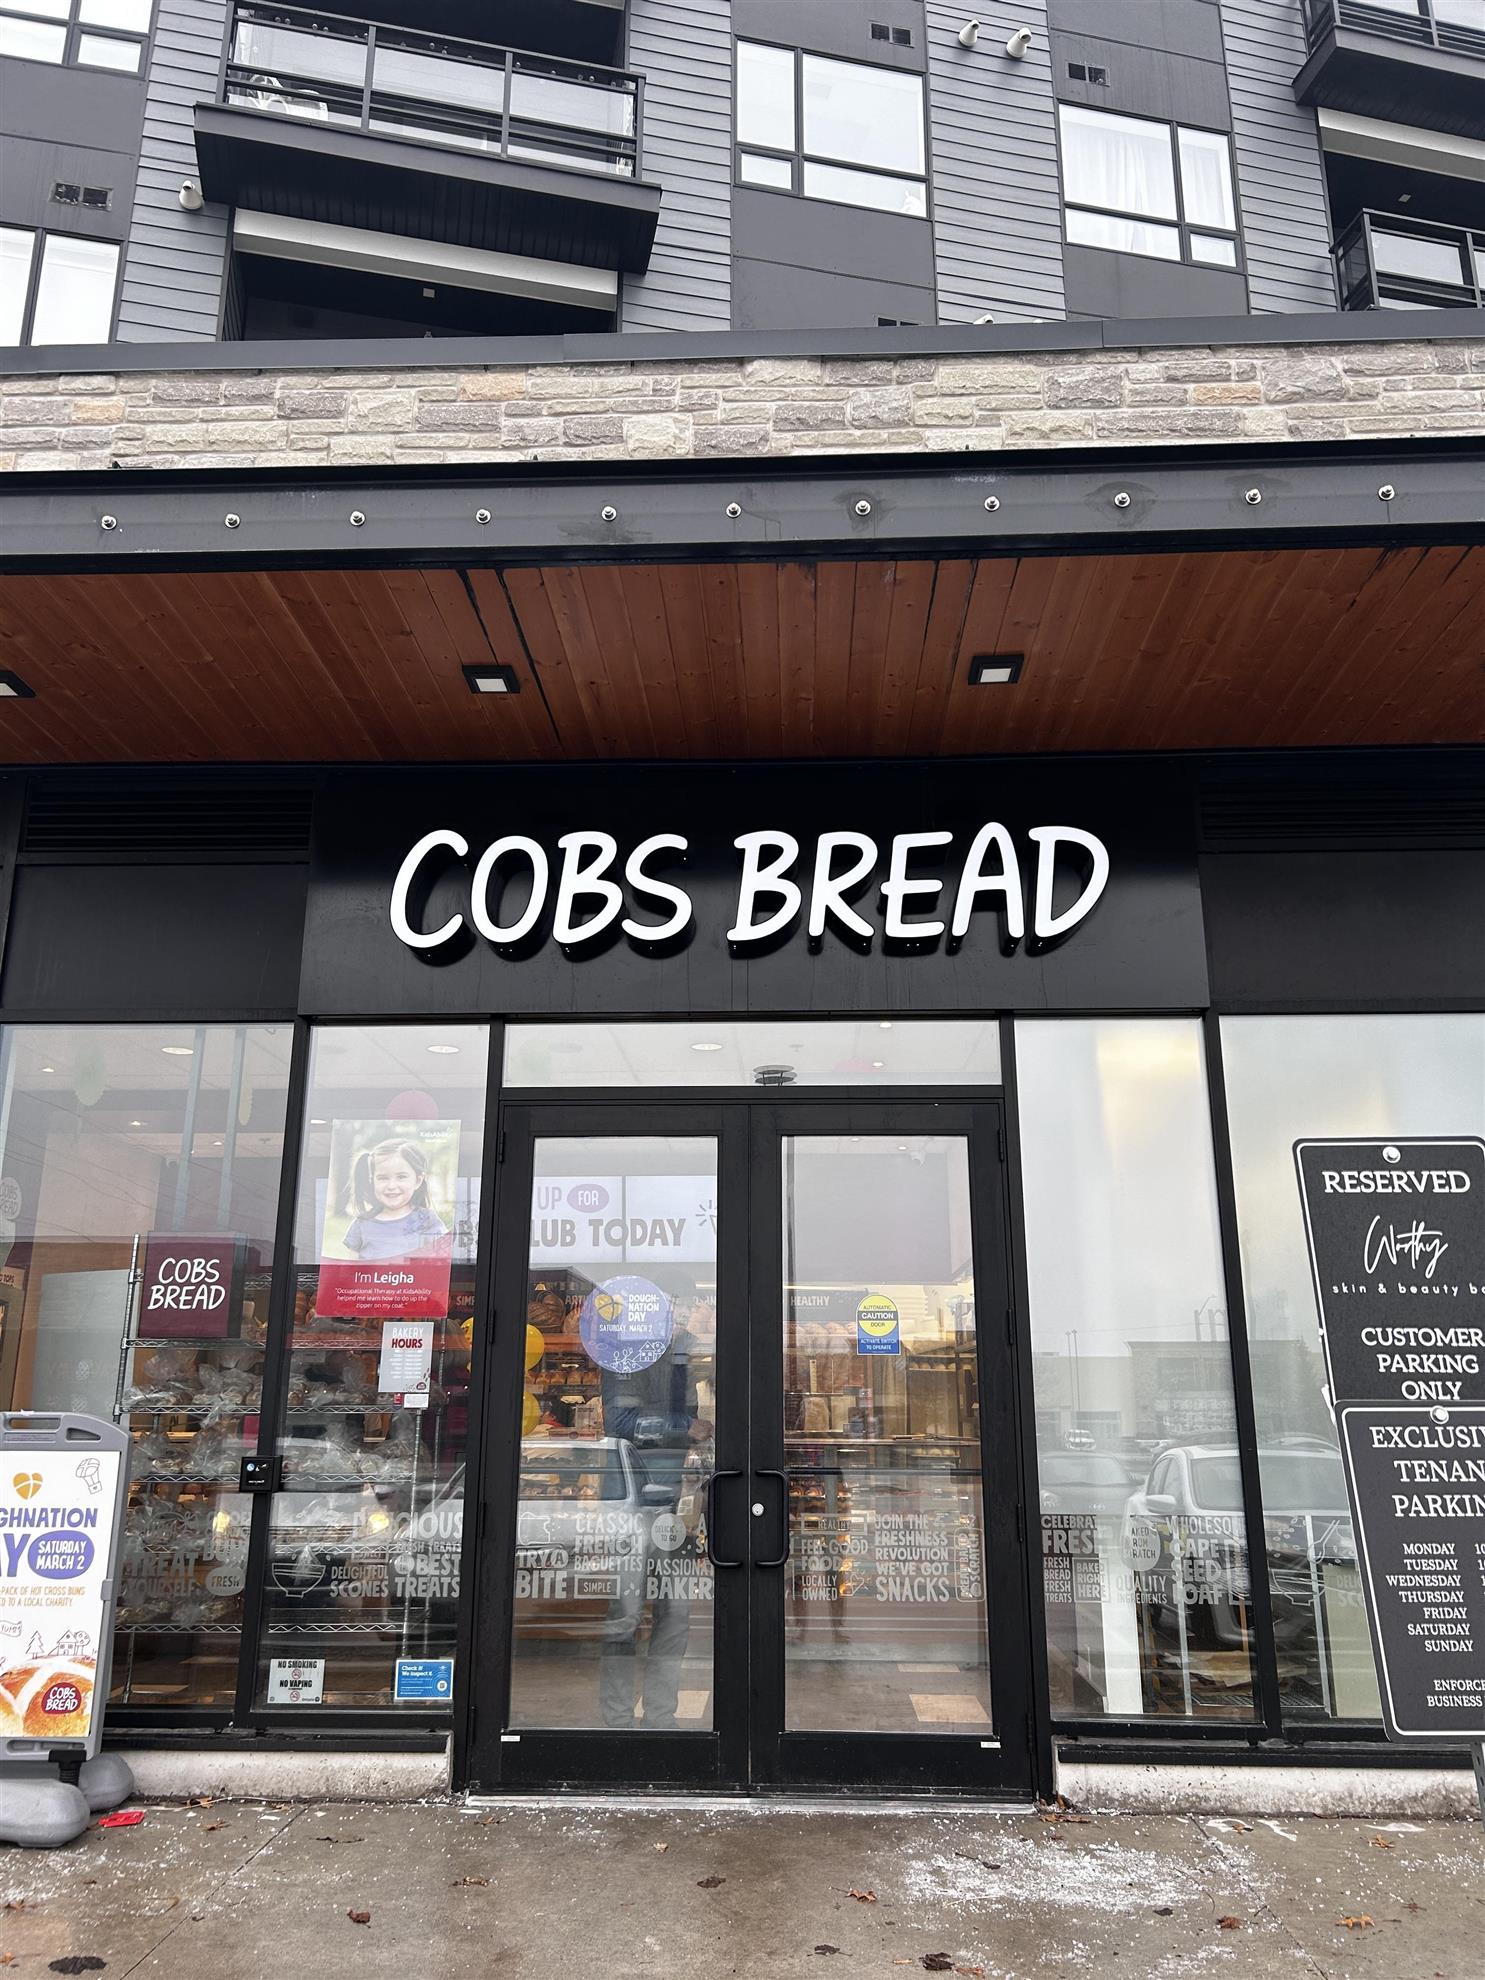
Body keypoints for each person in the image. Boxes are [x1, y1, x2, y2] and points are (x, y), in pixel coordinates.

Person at [596, 1295, 714, 1731]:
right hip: (630, 1504)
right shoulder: (626, 1355)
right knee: (626, 1617)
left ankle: (661, 1719)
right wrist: (684, 1427)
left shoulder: (682, 1359)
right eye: (679, 1309)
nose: (686, 1318)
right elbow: (619, 1425)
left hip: (674, 1505)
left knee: (675, 1615)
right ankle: (617, 1722)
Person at [341, 1137, 448, 1262]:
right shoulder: (361, 1225)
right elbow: (351, 1269)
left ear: (418, 1181)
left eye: (401, 1177)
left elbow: (444, 1260)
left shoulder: (427, 1220)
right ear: (372, 1181)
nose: (391, 1186)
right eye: (383, 1178)